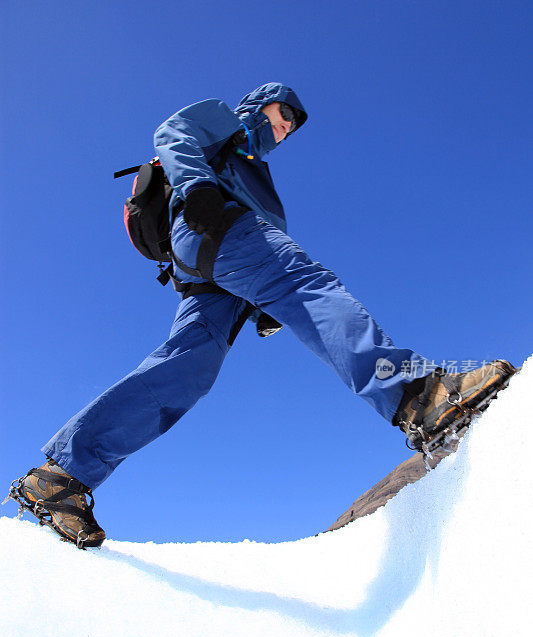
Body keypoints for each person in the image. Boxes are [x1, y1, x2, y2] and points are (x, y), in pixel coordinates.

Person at [9, 83, 514, 548]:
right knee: (308, 286)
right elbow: (172, 131)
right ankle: (417, 395)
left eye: (294, 124)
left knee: (188, 367)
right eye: (284, 111)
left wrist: (259, 305)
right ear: (262, 102)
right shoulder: (227, 121)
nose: (287, 125)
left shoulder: (255, 169)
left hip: (209, 265)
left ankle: (62, 477)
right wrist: (198, 187)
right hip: (215, 224)